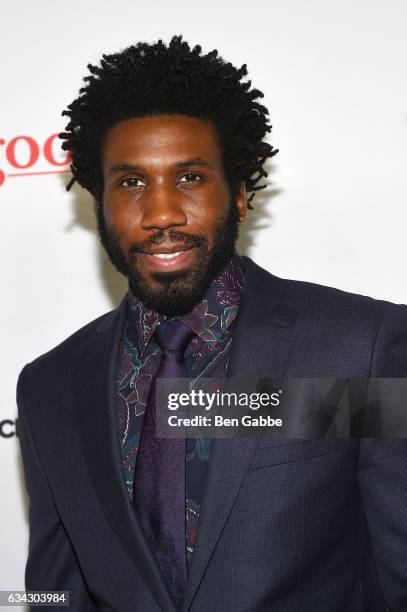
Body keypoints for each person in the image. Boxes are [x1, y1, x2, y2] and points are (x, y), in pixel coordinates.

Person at [17, 35, 407, 612]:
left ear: (241, 194)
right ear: (99, 204)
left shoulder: (359, 348)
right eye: (130, 183)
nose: (162, 213)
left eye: (190, 178)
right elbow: (53, 593)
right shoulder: (51, 386)